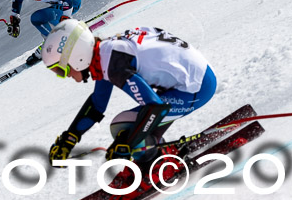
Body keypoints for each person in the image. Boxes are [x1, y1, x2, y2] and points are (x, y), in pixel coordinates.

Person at [42, 19, 217, 176]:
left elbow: (155, 108)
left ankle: (158, 167)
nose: (64, 76)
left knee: (123, 126)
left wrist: (127, 143)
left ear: (77, 57)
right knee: (130, 129)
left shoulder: (114, 64)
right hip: (195, 78)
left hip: (196, 88)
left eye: (61, 70)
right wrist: (69, 138)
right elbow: (97, 104)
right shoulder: (104, 53)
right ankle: (152, 152)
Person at [2, 0, 82, 65]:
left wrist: (66, 18)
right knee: (40, 18)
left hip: (72, 1)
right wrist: (14, 17)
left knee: (37, 18)